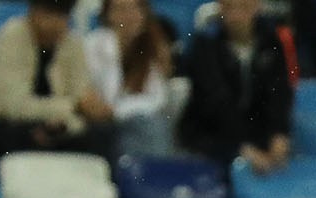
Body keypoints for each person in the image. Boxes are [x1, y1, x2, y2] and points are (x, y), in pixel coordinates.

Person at [0, 0, 118, 161]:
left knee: (102, 133)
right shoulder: (10, 38)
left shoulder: (72, 44)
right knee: (20, 136)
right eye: (49, 14)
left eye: (62, 16)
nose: (56, 23)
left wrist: (93, 108)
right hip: (0, 124)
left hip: (58, 126)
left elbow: (81, 93)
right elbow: (15, 107)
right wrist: (72, 107)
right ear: (33, 12)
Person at [179, 0, 298, 175]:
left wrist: (279, 133)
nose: (235, 16)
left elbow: (280, 91)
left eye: (243, 7)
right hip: (211, 135)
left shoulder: (273, 40)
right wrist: (242, 148)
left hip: (258, 134)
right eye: (229, 7)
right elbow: (216, 102)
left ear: (256, 6)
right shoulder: (205, 45)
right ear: (220, 8)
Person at [86, 0, 180, 159]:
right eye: (120, 9)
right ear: (107, 15)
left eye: (134, 9)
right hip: (98, 122)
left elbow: (156, 99)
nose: (127, 16)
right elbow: (90, 90)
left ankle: (142, 175)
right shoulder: (93, 45)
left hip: (134, 120)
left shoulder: (154, 46)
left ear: (144, 13)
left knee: (151, 125)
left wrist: (116, 111)